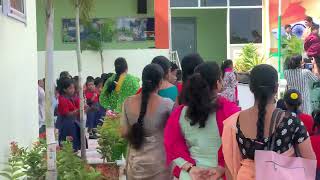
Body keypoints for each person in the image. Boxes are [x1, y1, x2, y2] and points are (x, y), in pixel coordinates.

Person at [222, 64, 316, 180]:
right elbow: (309, 161)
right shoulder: (291, 121)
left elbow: (230, 165)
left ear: (251, 88)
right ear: (276, 88)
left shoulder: (235, 122)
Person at [164, 62, 240, 179]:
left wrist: (189, 167)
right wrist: (221, 167)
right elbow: (238, 146)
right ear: (217, 83)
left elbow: (171, 143)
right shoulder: (229, 111)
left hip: (190, 174)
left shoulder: (181, 112)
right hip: (218, 174)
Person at [121, 64, 174, 180]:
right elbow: (175, 132)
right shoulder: (167, 104)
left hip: (135, 164)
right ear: (160, 82)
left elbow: (124, 132)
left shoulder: (127, 102)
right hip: (159, 163)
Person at [57, 78, 82, 151]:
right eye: (70, 88)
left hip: (72, 123)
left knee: (74, 144)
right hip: (66, 125)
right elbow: (67, 114)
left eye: (73, 88)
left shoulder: (70, 98)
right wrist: (78, 110)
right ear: (65, 89)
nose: (73, 90)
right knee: (68, 145)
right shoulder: (62, 99)